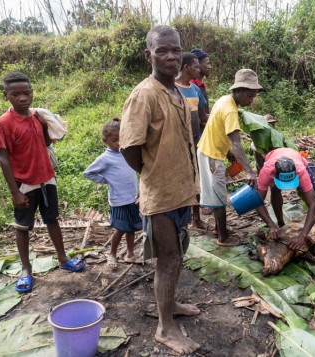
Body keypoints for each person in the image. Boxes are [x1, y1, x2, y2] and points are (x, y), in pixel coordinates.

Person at [119, 25, 201, 355]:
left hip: (181, 190)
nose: (170, 56)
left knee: (178, 251)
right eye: (162, 50)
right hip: (161, 194)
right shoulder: (144, 95)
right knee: (168, 260)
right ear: (148, 55)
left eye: (175, 50)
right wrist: (151, 175)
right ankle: (165, 329)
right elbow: (129, 147)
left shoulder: (178, 92)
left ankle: (171, 304)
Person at [0, 72, 85, 294]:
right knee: (22, 226)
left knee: (52, 219)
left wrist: (46, 125)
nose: (23, 98)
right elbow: (4, 157)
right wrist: (15, 192)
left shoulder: (37, 117)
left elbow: (45, 142)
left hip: (46, 178)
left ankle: (63, 258)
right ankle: (26, 269)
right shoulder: (3, 123)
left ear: (32, 93)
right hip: (24, 183)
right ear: (7, 96)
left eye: (27, 93)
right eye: (16, 94)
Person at [196, 69, 259, 246]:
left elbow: (217, 129)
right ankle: (222, 237)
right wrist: (249, 171)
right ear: (238, 90)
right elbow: (236, 143)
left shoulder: (225, 99)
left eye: (253, 96)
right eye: (249, 95)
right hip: (211, 156)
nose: (251, 100)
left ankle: (218, 228)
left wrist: (230, 156)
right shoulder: (231, 110)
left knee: (218, 194)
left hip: (209, 151)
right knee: (219, 198)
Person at [83, 118, 142, 270]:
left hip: (132, 198)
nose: (118, 143)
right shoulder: (105, 158)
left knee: (132, 228)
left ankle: (130, 254)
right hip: (118, 200)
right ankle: (112, 254)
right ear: (106, 140)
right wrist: (106, 180)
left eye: (121, 139)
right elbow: (88, 173)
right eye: (114, 140)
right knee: (121, 229)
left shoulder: (127, 153)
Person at [254, 148, 315, 249]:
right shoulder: (266, 172)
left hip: (295, 158)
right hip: (273, 156)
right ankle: (280, 222)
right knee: (275, 189)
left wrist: (303, 236)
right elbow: (257, 201)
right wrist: (271, 224)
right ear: (274, 175)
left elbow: (313, 205)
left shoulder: (301, 171)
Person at [176, 52, 209, 229]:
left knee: (196, 180)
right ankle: (180, 217)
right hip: (179, 143)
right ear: (186, 67)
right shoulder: (172, 89)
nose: (199, 69)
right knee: (181, 180)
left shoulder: (195, 89)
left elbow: (203, 116)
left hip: (195, 141)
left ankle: (196, 218)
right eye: (196, 66)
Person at [190, 48, 211, 114]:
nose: (210, 67)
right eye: (207, 64)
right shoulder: (192, 86)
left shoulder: (200, 85)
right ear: (198, 64)